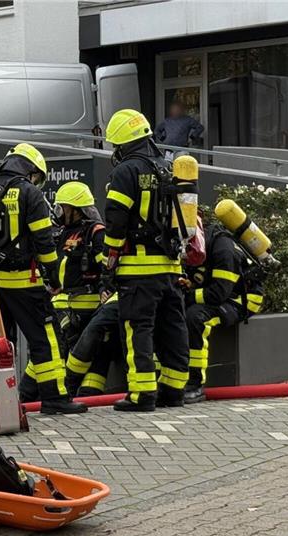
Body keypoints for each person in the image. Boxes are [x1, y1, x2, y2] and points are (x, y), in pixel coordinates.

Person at [0, 143, 86, 415]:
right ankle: (54, 398)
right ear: (31, 169)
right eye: (36, 175)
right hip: (23, 281)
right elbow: (44, 242)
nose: (35, 179)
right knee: (45, 338)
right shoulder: (30, 192)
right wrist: (53, 276)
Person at [101, 109, 190, 412]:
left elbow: (115, 223)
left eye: (116, 146)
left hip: (138, 270)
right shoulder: (168, 168)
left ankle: (142, 395)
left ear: (124, 144)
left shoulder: (126, 172)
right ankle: (174, 390)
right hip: (171, 267)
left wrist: (108, 262)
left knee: (137, 328)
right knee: (172, 328)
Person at [182, 217, 266, 403]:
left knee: (195, 318)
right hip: (215, 293)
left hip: (240, 299)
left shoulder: (223, 249)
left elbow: (218, 293)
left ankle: (195, 384)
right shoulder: (189, 244)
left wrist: (186, 297)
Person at [47, 181, 113, 397]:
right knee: (73, 351)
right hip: (64, 306)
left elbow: (106, 267)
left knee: (93, 352)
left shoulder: (95, 233)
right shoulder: (63, 233)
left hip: (88, 305)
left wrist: (105, 287)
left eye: (63, 207)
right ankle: (76, 394)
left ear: (75, 210)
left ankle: (83, 395)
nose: (59, 212)